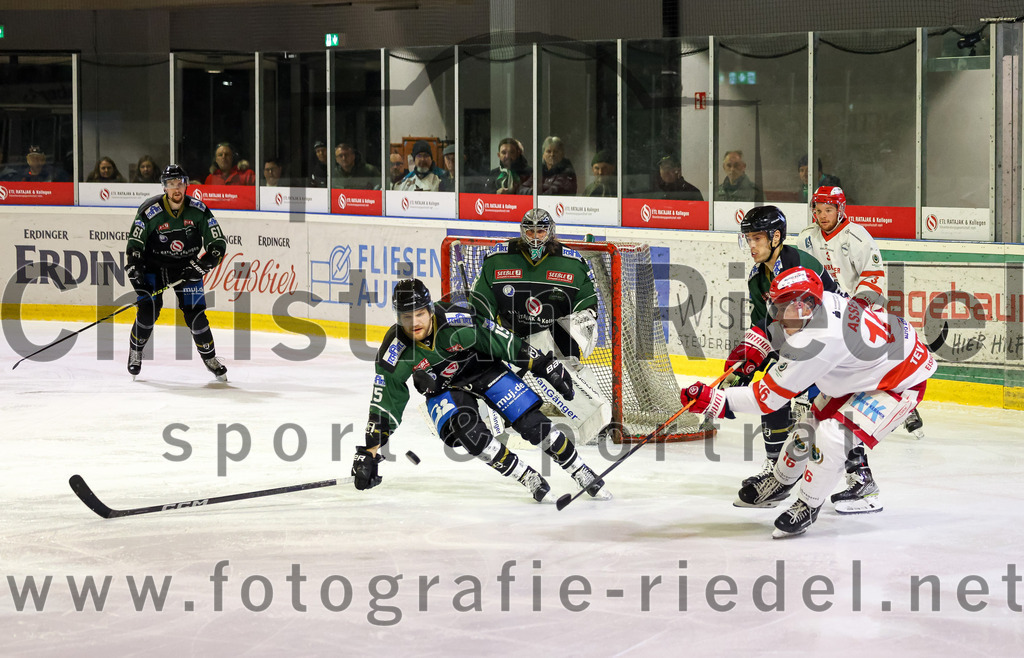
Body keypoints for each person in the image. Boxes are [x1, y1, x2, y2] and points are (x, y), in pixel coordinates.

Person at [682, 267, 936, 537]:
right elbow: (782, 337)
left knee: (833, 437)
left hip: (900, 382)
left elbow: (766, 399)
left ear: (804, 305)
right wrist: (755, 347)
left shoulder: (819, 340)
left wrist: (715, 400)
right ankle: (780, 482)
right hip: (867, 369)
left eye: (782, 308)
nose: (777, 316)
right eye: (775, 306)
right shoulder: (820, 303)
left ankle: (808, 505)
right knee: (808, 427)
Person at [353, 278, 609, 503]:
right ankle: (526, 476)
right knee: (470, 434)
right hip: (445, 390)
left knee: (533, 425)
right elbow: (384, 402)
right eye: (406, 317)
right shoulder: (394, 350)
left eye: (419, 314)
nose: (414, 322)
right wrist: (370, 452)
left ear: (430, 310)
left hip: (483, 370)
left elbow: (502, 341)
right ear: (397, 317)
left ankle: (579, 469)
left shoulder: (457, 321)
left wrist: (543, 364)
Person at [797, 185, 922, 511]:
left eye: (828, 210)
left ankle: (856, 476)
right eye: (818, 210)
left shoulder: (858, 237)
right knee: (828, 407)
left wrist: (851, 312)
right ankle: (855, 476)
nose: (822, 216)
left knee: (837, 406)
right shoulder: (806, 238)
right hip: (824, 325)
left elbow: (873, 280)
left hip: (856, 327)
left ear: (840, 209)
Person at [470, 209, 612, 444]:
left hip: (553, 341)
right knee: (482, 367)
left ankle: (597, 422)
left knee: (567, 371)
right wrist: (487, 341)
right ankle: (477, 413)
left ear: (551, 232)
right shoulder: (497, 260)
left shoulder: (572, 263)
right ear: (521, 231)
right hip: (511, 339)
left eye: (541, 230)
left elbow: (588, 305)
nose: (535, 236)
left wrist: (580, 324)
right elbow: (480, 309)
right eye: (530, 230)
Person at [725, 205, 839, 492]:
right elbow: (763, 324)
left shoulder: (798, 267)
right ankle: (776, 471)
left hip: (831, 346)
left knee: (831, 416)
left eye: (758, 239)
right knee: (772, 391)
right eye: (748, 239)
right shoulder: (758, 276)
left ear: (776, 237)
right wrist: (746, 360)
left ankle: (860, 479)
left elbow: (823, 317)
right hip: (797, 341)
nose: (751, 246)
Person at [125, 164, 228, 381]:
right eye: (171, 185)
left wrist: (200, 266)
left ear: (186, 184)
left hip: (186, 268)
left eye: (179, 183)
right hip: (154, 267)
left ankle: (210, 358)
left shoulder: (198, 210)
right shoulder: (150, 210)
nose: (176, 189)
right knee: (148, 311)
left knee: (196, 315)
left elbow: (217, 244)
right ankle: (135, 351)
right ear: (164, 187)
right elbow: (135, 243)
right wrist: (135, 267)